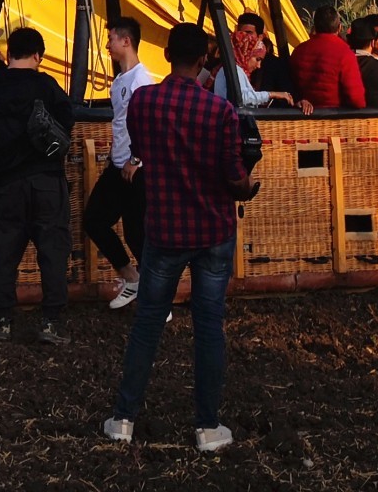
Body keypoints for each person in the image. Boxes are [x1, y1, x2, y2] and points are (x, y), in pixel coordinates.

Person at [103, 23, 259, 454]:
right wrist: (249, 181)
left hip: (165, 231)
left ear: (168, 54)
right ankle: (207, 428)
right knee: (209, 327)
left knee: (148, 322)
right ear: (205, 59)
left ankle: (124, 418)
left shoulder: (144, 102)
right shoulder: (221, 112)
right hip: (212, 232)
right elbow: (234, 180)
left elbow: (140, 149)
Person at [0, 26, 75, 345]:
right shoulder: (46, 85)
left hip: (7, 183)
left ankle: (4, 320)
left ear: (7, 53)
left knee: (4, 252)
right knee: (53, 251)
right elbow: (67, 121)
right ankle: (51, 322)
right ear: (38, 56)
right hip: (46, 179)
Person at [84, 17, 157, 308]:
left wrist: (136, 159)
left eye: (112, 37)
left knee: (137, 233)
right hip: (118, 166)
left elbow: (147, 124)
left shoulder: (141, 80)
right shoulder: (120, 81)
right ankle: (131, 277)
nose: (107, 44)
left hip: (135, 167)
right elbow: (121, 125)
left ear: (126, 41)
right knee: (95, 220)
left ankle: (155, 298)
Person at [212, 16, 304, 111]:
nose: (243, 37)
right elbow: (241, 98)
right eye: (239, 33)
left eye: (248, 33)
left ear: (260, 37)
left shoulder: (274, 65)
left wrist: (299, 101)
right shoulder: (229, 66)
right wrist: (271, 94)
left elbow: (288, 90)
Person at [289, 7, 366, 109]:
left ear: (315, 27)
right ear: (339, 27)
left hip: (302, 116)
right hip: (335, 118)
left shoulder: (298, 51)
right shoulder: (344, 53)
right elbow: (357, 99)